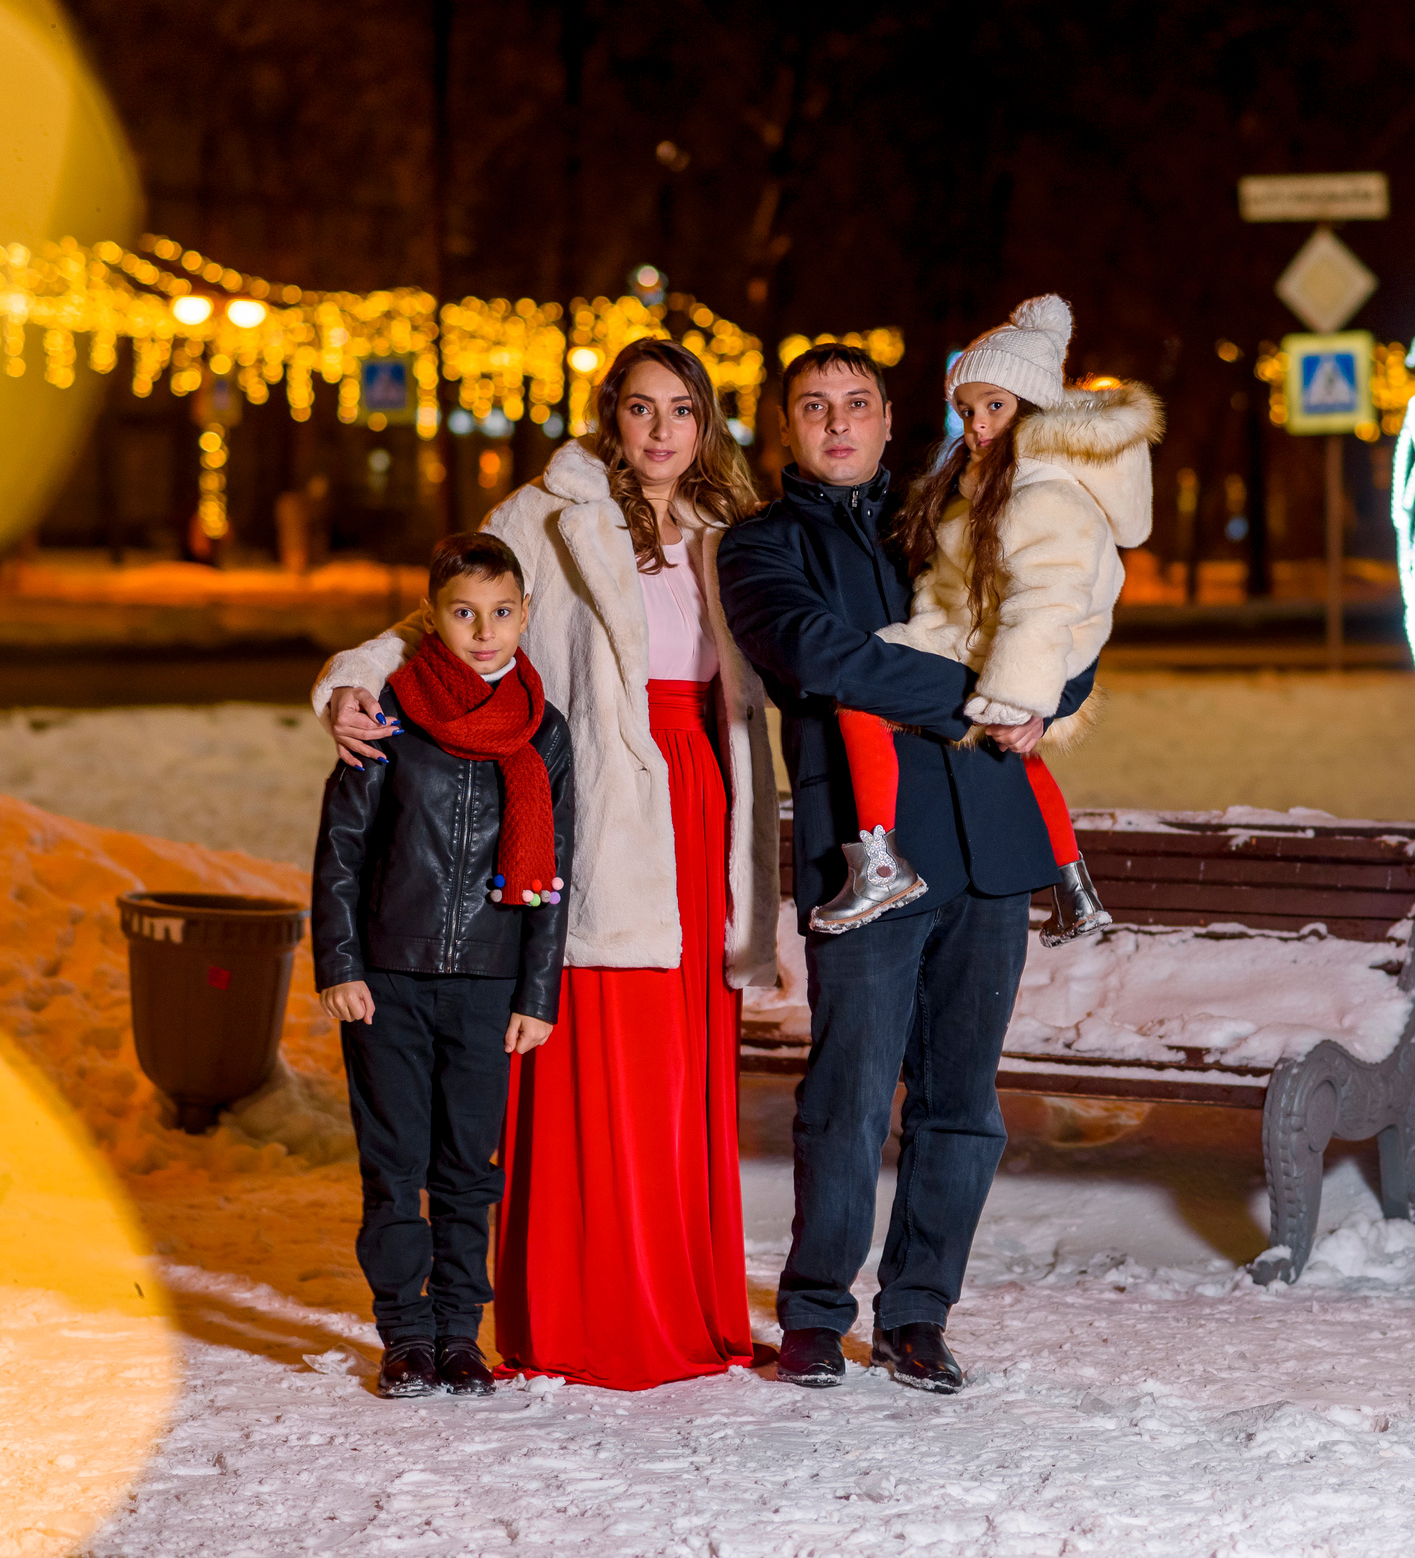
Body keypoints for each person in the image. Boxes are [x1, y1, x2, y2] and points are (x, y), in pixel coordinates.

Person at [316, 339, 779, 1391]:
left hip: (702, 794)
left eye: (682, 411)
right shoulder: (550, 509)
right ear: (609, 416)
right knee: (607, 1055)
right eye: (640, 409)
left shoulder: (725, 529)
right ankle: (589, 1313)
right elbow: (437, 618)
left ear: (706, 423)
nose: (661, 432)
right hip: (610, 801)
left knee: (681, 1064)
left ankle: (686, 1299)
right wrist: (352, 682)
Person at [718, 341, 1097, 1394]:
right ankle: (813, 1311)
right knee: (846, 1087)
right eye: (812, 406)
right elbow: (819, 654)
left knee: (960, 1100)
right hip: (865, 852)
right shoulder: (758, 546)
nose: (837, 422)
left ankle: (918, 1313)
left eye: (856, 403)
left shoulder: (955, 513)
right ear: (784, 427)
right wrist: (986, 692)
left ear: (890, 418)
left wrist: (1047, 696)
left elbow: (1063, 614)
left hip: (987, 842)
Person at [310, 530, 575, 1400]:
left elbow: (556, 872)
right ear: (434, 617)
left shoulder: (544, 730)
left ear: (525, 615)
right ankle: (405, 1332)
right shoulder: (388, 708)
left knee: (468, 1167)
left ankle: (460, 1330)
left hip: (491, 981)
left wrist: (538, 990)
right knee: (395, 1166)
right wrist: (340, 963)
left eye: (502, 613)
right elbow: (343, 848)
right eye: (464, 613)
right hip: (387, 977)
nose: (485, 630)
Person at [813, 294, 1158, 945]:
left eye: (994, 406)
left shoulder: (1042, 492)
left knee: (861, 695)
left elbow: (1044, 602)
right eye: (967, 410)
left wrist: (1020, 698)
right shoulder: (999, 479)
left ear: (1031, 407)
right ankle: (1075, 888)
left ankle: (880, 863)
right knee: (1017, 755)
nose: (976, 423)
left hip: (1030, 647)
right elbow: (968, 588)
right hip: (999, 639)